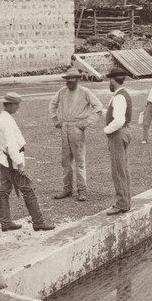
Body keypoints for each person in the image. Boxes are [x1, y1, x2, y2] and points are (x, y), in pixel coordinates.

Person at [0, 92, 54, 232]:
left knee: (4, 191)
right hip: (12, 161)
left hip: (4, 160)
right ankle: (38, 222)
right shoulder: (6, 121)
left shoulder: (2, 118)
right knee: (28, 191)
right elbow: (11, 145)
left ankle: (5, 222)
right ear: (9, 104)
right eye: (16, 104)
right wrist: (19, 164)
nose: (18, 107)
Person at [49, 67, 105, 202]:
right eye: (68, 79)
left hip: (77, 128)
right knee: (65, 161)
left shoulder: (85, 92)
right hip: (65, 127)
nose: (69, 81)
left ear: (78, 79)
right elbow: (52, 104)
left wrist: (87, 122)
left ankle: (82, 190)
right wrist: (55, 119)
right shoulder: (62, 91)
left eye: (72, 79)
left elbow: (98, 107)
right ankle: (67, 189)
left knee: (80, 161)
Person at [102, 69, 133, 215]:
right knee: (124, 169)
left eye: (110, 80)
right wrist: (103, 112)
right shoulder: (124, 94)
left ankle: (121, 203)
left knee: (118, 171)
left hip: (118, 134)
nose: (109, 83)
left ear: (113, 80)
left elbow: (119, 120)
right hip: (125, 132)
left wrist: (107, 130)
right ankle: (126, 201)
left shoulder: (118, 97)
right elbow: (120, 115)